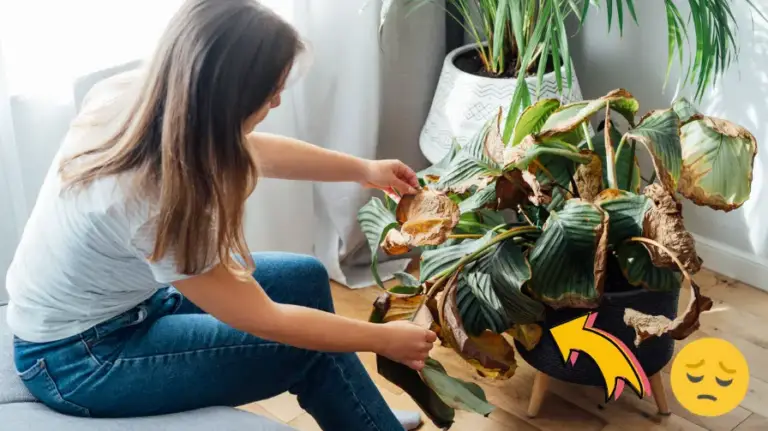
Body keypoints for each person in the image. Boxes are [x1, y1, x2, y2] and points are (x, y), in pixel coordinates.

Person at [6, 1, 436, 430]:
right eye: (269, 97)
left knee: (304, 275)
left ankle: (356, 411)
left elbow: (251, 150)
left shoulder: (143, 97)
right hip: (80, 359)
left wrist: (363, 170)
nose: (279, 101)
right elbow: (266, 320)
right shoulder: (155, 200)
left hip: (126, 305)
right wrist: (383, 339)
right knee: (305, 348)